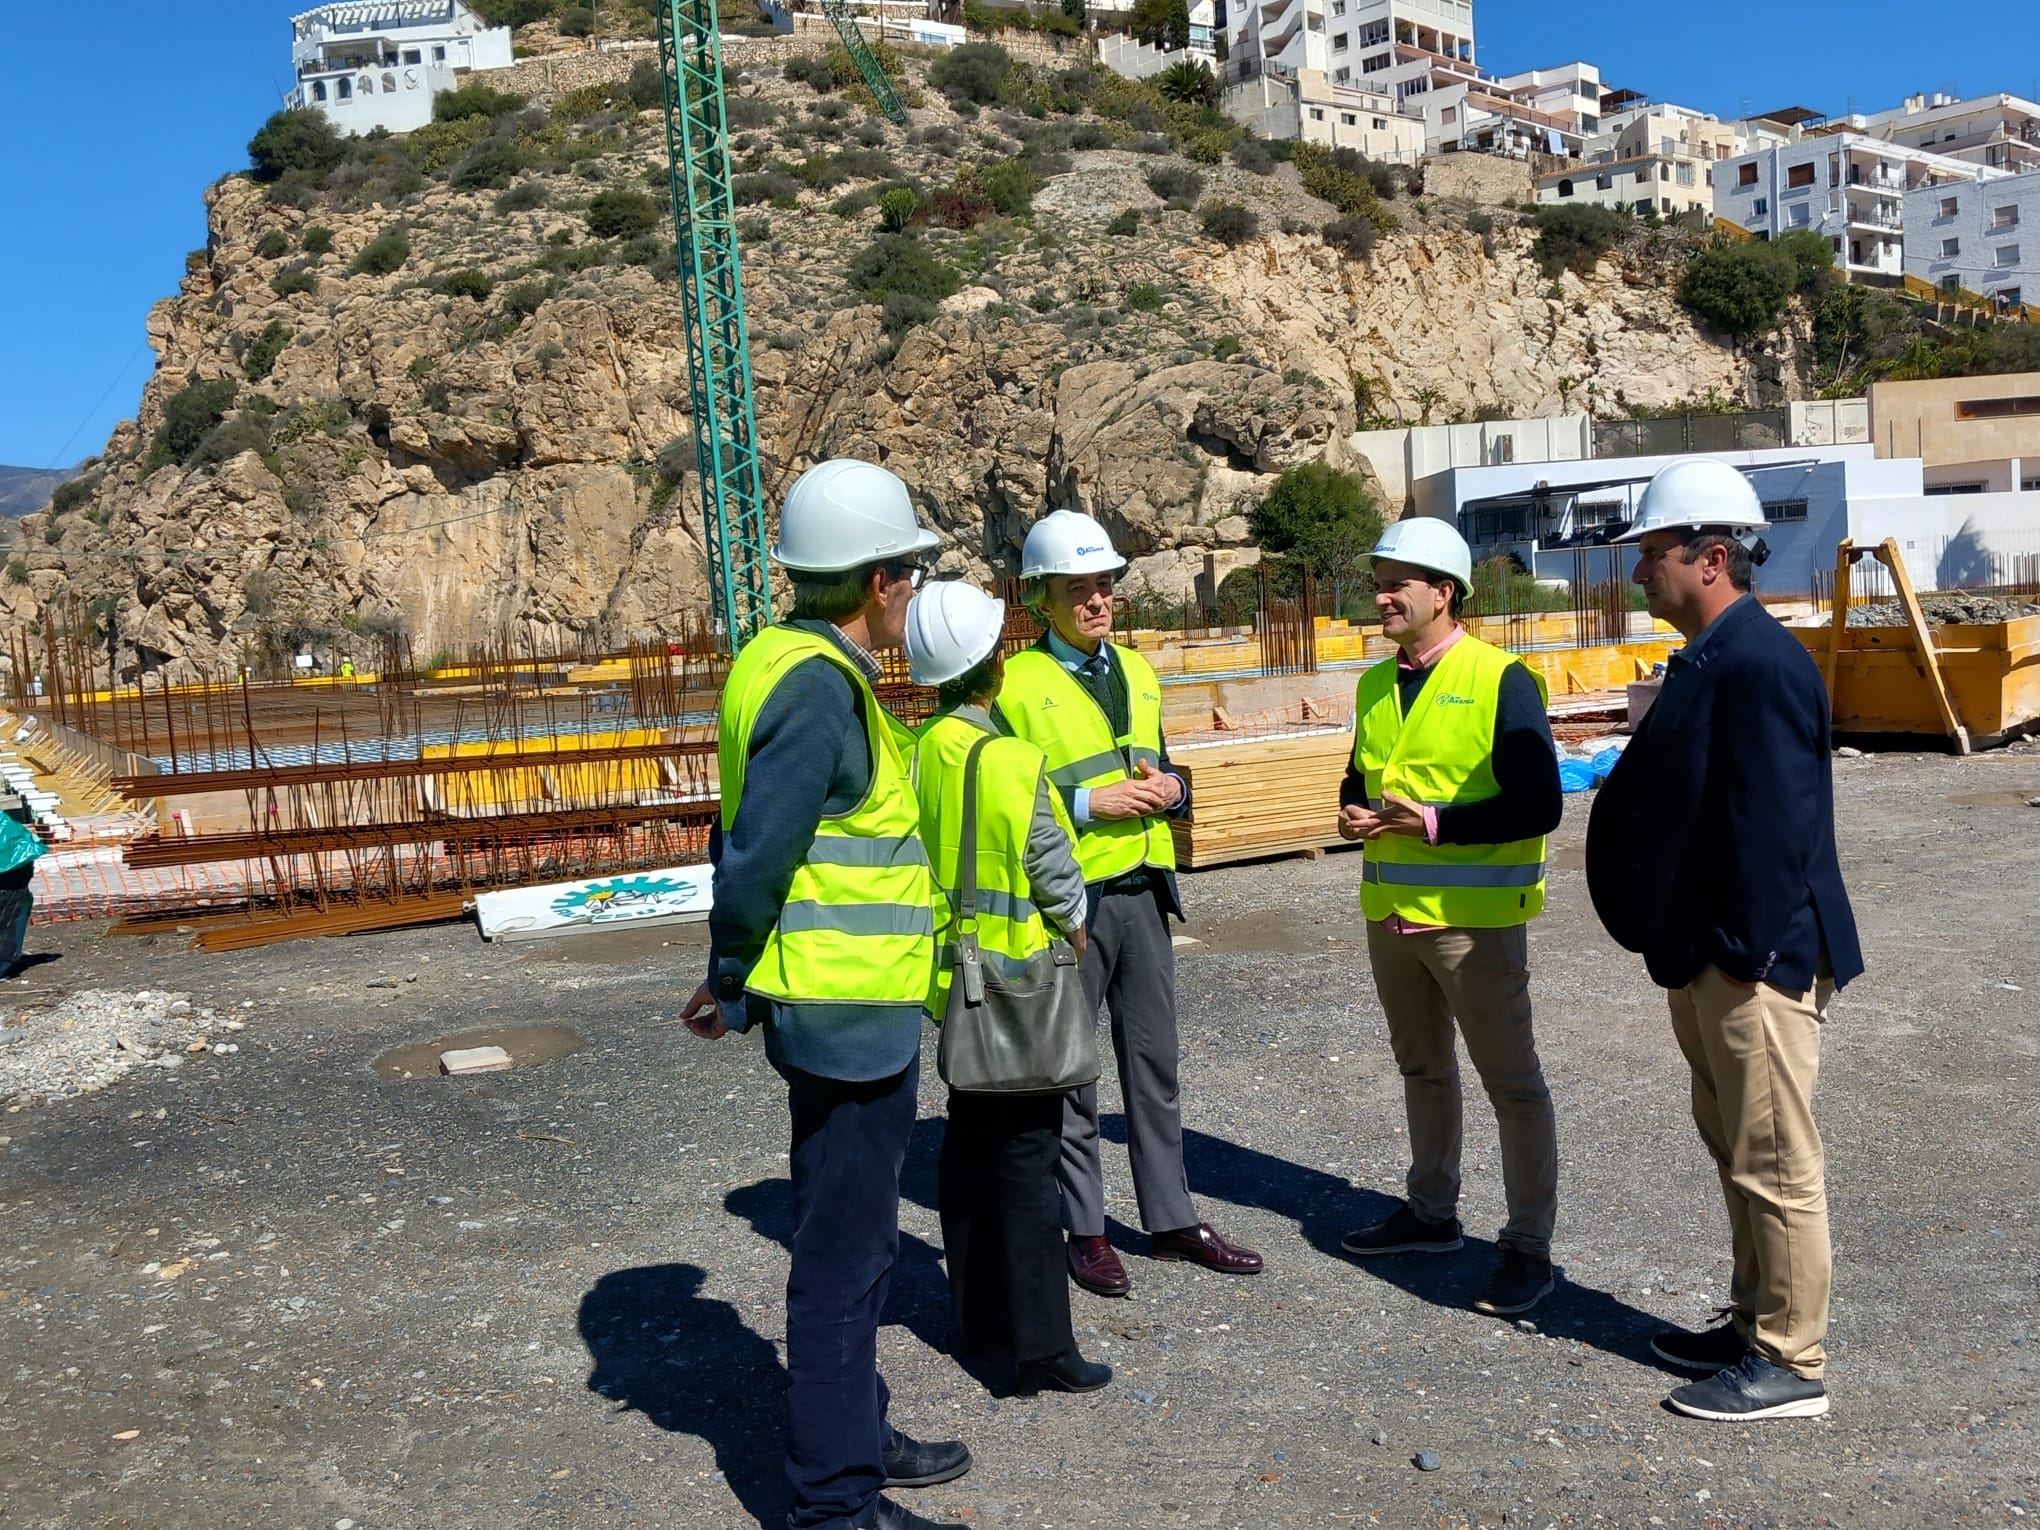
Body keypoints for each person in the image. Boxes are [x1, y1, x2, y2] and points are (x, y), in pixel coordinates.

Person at [679, 459, 968, 1530]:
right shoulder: (814, 687)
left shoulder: (785, 661)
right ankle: (834, 1503)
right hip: (847, 1020)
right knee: (843, 1261)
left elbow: (746, 835)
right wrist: (728, 974)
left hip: (853, 1012)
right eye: (916, 570)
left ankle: (857, 1431)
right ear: (882, 580)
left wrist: (738, 973)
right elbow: (756, 855)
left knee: (857, 1241)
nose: (919, 589)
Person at [1586, 458, 1863, 1423]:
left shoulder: (1761, 663)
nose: (1636, 576)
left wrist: (1744, 957)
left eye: (1650, 555)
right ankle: (1753, 1322)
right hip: (1710, 953)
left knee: (1776, 1161)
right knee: (1738, 1151)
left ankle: (1792, 1360)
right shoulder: (1712, 656)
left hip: (1755, 961)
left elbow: (1779, 832)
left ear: (1710, 558)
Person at [993, 509, 1262, 1297]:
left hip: (1145, 890)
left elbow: (1166, 769)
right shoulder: (1016, 685)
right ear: (1041, 597)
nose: (1095, 601)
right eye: (1077, 589)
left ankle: (1172, 1218)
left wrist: (1177, 790)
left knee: (1155, 1063)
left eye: (1104, 585)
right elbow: (1013, 796)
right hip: (1068, 905)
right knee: (1072, 1074)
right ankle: (1085, 1230)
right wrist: (1087, 807)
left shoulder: (1139, 674)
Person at [1335, 517, 1565, 1316]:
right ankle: (1431, 1214)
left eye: (1401, 580)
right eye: (1380, 579)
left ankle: (1528, 1248)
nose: (1383, 594)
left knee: (1511, 1084)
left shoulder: (1503, 679)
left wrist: (1428, 823)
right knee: (1421, 1070)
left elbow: (1541, 803)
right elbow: (1358, 780)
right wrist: (1353, 814)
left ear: (1445, 592)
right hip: (1391, 914)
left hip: (1473, 923)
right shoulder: (1373, 683)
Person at [903, 581, 1113, 1397]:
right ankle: (1041, 1348)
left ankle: (977, 1316)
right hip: (1016, 984)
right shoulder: (1012, 760)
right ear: (991, 668)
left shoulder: (913, 752)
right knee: (1028, 1160)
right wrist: (1074, 930)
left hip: (945, 983)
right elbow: (1056, 875)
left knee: (968, 1147)